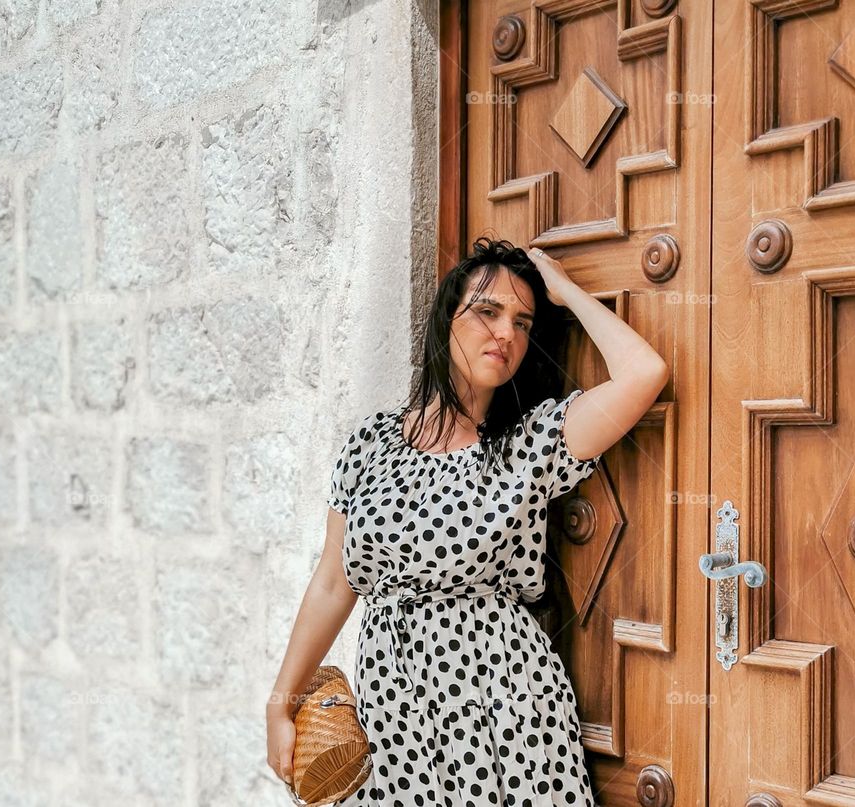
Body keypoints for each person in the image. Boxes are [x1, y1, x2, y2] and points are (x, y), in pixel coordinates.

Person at [266, 236, 668, 805]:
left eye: (523, 322)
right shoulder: (370, 443)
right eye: (487, 311)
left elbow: (644, 372)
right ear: (444, 321)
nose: (506, 333)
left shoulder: (529, 444)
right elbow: (334, 584)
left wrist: (567, 291)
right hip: (391, 706)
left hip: (500, 705)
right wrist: (279, 702)